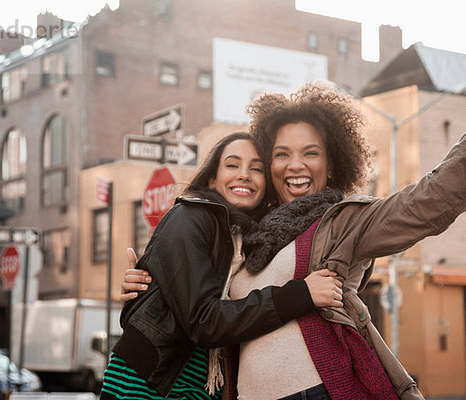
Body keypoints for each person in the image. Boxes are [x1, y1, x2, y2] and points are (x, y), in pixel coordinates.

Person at [122, 37, 466, 399]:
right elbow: (205, 315)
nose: (295, 165)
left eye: (310, 153)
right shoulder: (247, 239)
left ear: (333, 164)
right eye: (281, 154)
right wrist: (148, 286)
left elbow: (431, 201)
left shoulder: (346, 222)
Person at [101, 132, 344, 400]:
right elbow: (204, 321)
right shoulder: (189, 217)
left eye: (256, 169)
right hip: (147, 386)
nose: (244, 174)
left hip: (202, 388)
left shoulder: (247, 239)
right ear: (212, 179)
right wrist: (300, 295)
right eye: (232, 164)